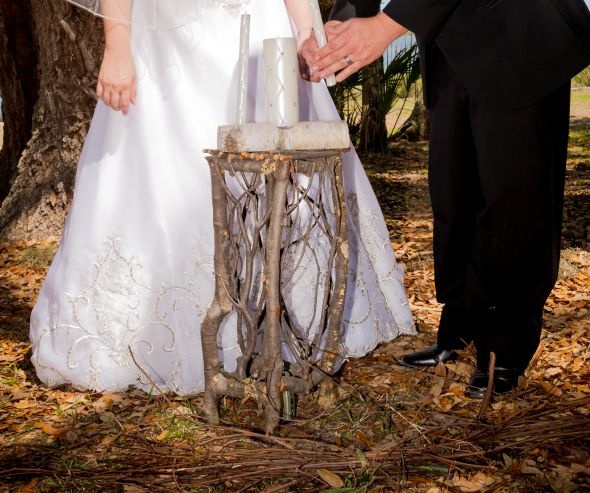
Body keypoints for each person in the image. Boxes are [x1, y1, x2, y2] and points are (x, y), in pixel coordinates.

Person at [29, 0, 415, 395]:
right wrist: (117, 44)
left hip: (261, 37)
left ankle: (289, 328)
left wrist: (303, 36)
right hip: (170, 42)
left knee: (277, 167)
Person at [305, 0, 590, 398]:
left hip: (519, 35)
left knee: (515, 201)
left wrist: (386, 26)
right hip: (448, 46)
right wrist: (333, 33)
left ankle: (504, 349)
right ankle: (460, 327)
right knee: (454, 195)